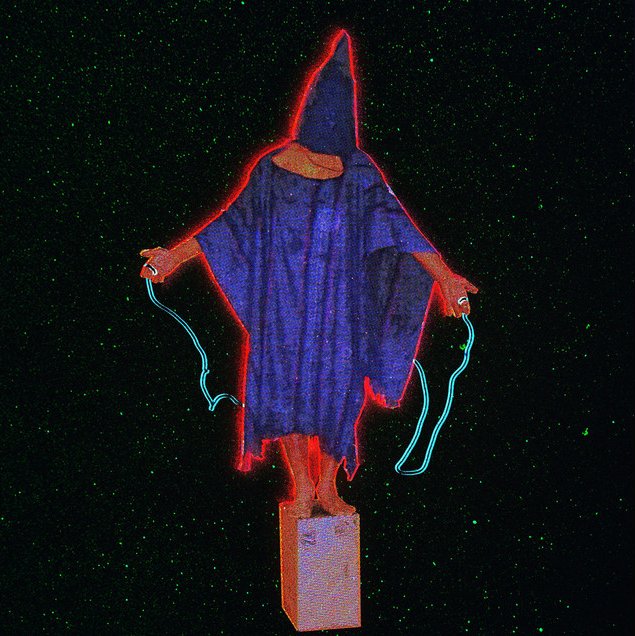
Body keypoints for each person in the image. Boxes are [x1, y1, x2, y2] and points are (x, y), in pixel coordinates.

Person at [140, 31, 477, 518]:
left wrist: (444, 276)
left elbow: (401, 228)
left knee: (340, 391)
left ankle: (327, 486)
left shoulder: (358, 172)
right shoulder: (272, 169)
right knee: (285, 390)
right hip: (282, 306)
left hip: (340, 309)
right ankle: (301, 485)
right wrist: (173, 256)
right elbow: (230, 225)